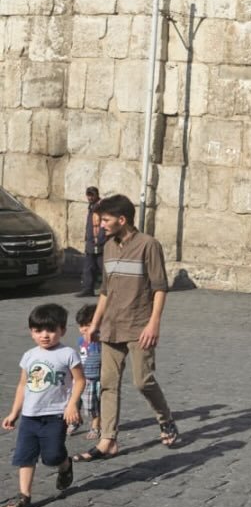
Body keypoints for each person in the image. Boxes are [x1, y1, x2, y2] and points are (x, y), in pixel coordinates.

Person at [76, 194, 180, 460]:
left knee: (143, 381)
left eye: (105, 220)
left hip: (139, 326)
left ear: (122, 220)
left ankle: (165, 418)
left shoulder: (149, 245)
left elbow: (160, 288)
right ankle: (108, 440)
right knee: (108, 384)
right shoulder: (108, 247)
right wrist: (94, 324)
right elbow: (105, 291)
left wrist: (154, 324)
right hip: (110, 327)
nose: (101, 225)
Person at [2, 303, 84, 507]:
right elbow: (23, 385)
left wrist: (72, 404)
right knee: (25, 456)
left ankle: (64, 465)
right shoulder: (29, 355)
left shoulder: (68, 354)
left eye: (50, 330)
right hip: (30, 416)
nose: (44, 335)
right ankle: (24, 496)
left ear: (62, 330)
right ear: (31, 332)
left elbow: (80, 380)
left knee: (52, 456)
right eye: (38, 330)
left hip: (55, 415)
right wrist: (14, 413)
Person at [74, 304, 102, 441]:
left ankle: (95, 426)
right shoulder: (81, 340)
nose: (84, 329)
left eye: (88, 325)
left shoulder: (100, 341)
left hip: (94, 379)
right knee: (74, 401)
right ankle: (75, 420)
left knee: (92, 405)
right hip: (80, 377)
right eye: (81, 325)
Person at [77, 187, 107, 297]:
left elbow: (102, 226)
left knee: (103, 267)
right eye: (88, 195)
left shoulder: (100, 207)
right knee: (88, 267)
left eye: (92, 195)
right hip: (91, 242)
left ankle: (109, 289)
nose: (90, 197)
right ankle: (87, 288)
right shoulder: (91, 207)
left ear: (96, 195)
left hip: (98, 242)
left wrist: (100, 240)